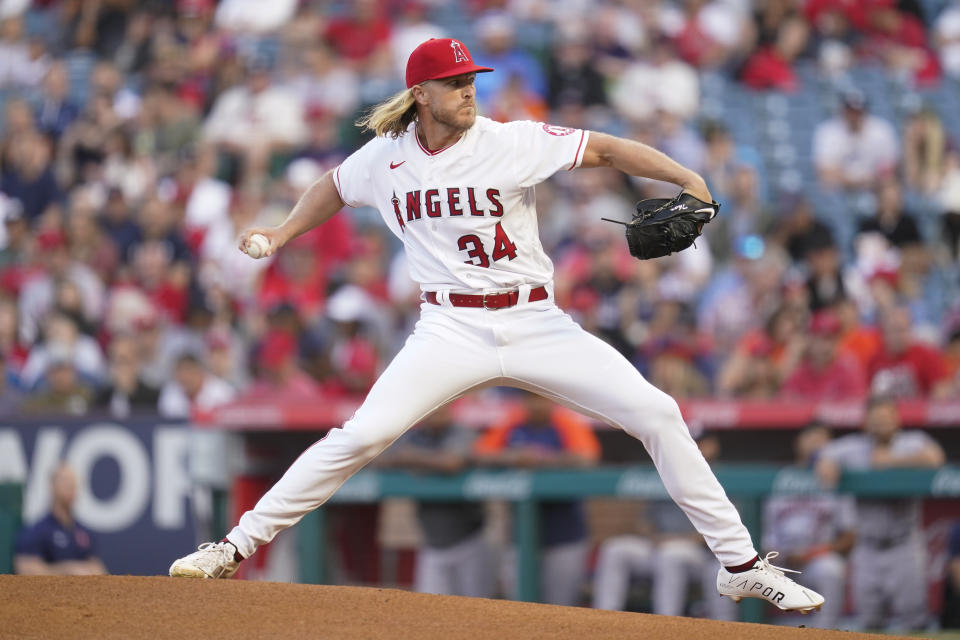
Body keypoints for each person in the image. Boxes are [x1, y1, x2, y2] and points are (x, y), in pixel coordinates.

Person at [169, 37, 825, 615]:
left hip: (536, 319)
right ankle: (232, 546)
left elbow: (607, 150)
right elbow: (333, 187)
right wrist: (283, 232)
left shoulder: (511, 140)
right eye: (455, 84)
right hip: (448, 328)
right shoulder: (385, 158)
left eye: (471, 80)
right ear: (420, 94)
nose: (468, 92)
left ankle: (741, 567)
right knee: (361, 436)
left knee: (657, 414)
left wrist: (686, 175)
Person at [816, 395, 945, 631]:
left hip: (904, 543)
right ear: (866, 422)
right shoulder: (852, 447)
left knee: (914, 619)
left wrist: (892, 462)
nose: (881, 424)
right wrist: (826, 463)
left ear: (897, 419)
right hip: (867, 546)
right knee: (869, 621)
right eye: (875, 419)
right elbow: (825, 456)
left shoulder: (912, 441)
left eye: (886, 418)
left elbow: (935, 457)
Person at [592, 431, 737, 620]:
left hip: (701, 556)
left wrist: (675, 540)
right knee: (615, 549)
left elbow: (723, 532)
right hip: (659, 546)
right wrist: (653, 536)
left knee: (671, 555)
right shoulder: (668, 473)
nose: (693, 447)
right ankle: (605, 622)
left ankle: (666, 625)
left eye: (699, 443)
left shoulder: (724, 478)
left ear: (712, 446)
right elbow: (644, 521)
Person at [473, 392, 599, 606]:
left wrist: (542, 459)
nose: (537, 405)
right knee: (519, 606)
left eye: (541, 399)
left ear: (552, 401)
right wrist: (512, 457)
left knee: (561, 607)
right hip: (519, 533)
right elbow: (479, 454)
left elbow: (587, 458)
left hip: (564, 532)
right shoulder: (514, 422)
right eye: (531, 399)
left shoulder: (565, 422)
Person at [378, 405, 492, 599]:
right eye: (431, 411)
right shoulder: (416, 436)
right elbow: (380, 460)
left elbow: (451, 462)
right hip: (431, 543)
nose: (436, 416)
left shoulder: (462, 432)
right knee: (430, 609)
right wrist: (426, 461)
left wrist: (413, 458)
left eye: (441, 410)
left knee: (477, 608)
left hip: (470, 539)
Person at [762, 424, 856, 629]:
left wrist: (812, 553)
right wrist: (780, 555)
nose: (816, 445)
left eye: (822, 440)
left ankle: (825, 633)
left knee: (831, 569)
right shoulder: (780, 478)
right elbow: (764, 535)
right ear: (798, 442)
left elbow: (848, 537)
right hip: (779, 558)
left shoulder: (837, 480)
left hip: (817, 558)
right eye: (810, 438)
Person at [14, 463, 107, 575]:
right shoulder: (35, 531)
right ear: (52, 486)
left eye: (74, 484)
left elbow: (98, 570)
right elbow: (25, 569)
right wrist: (68, 571)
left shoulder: (85, 533)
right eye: (66, 482)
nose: (71, 488)